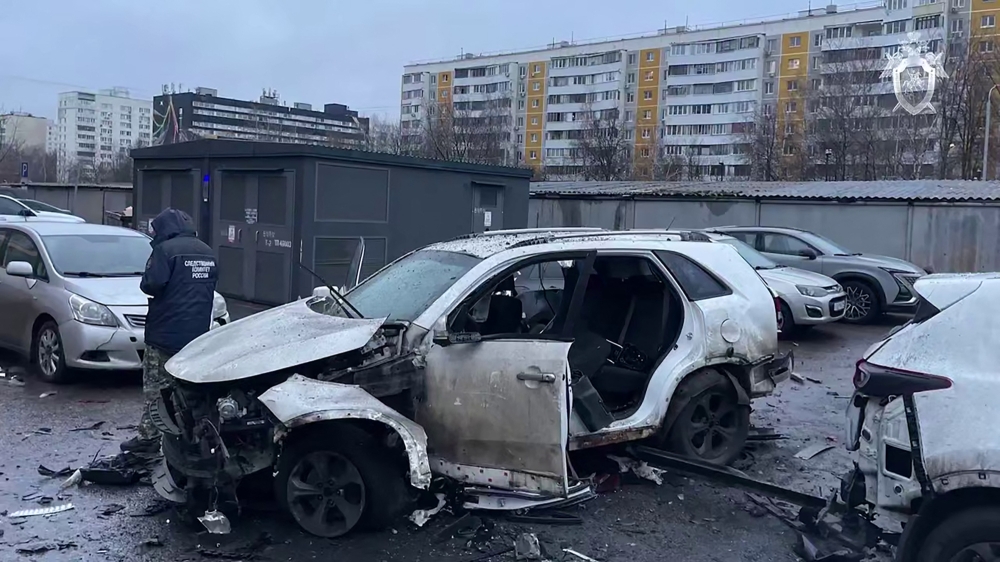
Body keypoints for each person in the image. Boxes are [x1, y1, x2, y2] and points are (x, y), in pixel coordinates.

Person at [121, 208, 219, 453]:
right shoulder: (207, 251)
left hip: (165, 333)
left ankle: (149, 438)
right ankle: (190, 435)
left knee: (156, 389)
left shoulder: (165, 251)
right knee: (189, 389)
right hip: (196, 335)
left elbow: (151, 284)